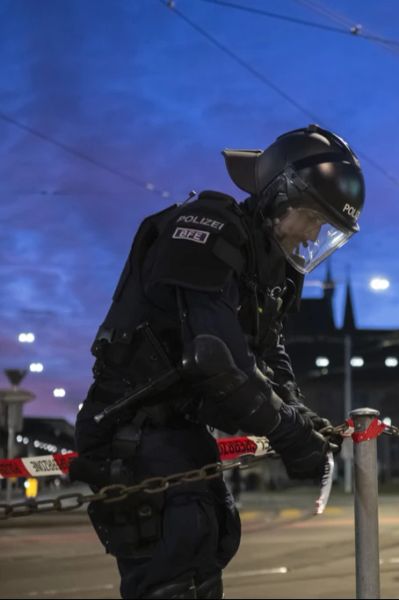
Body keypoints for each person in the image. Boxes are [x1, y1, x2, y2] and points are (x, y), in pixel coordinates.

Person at [72, 125, 365, 599]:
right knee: (173, 561)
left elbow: (270, 352)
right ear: (278, 197)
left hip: (178, 431)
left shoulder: (269, 266)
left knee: (212, 543)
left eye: (324, 226)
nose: (314, 233)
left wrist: (299, 413)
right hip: (132, 431)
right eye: (312, 216)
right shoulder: (210, 228)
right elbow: (215, 355)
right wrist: (287, 431)